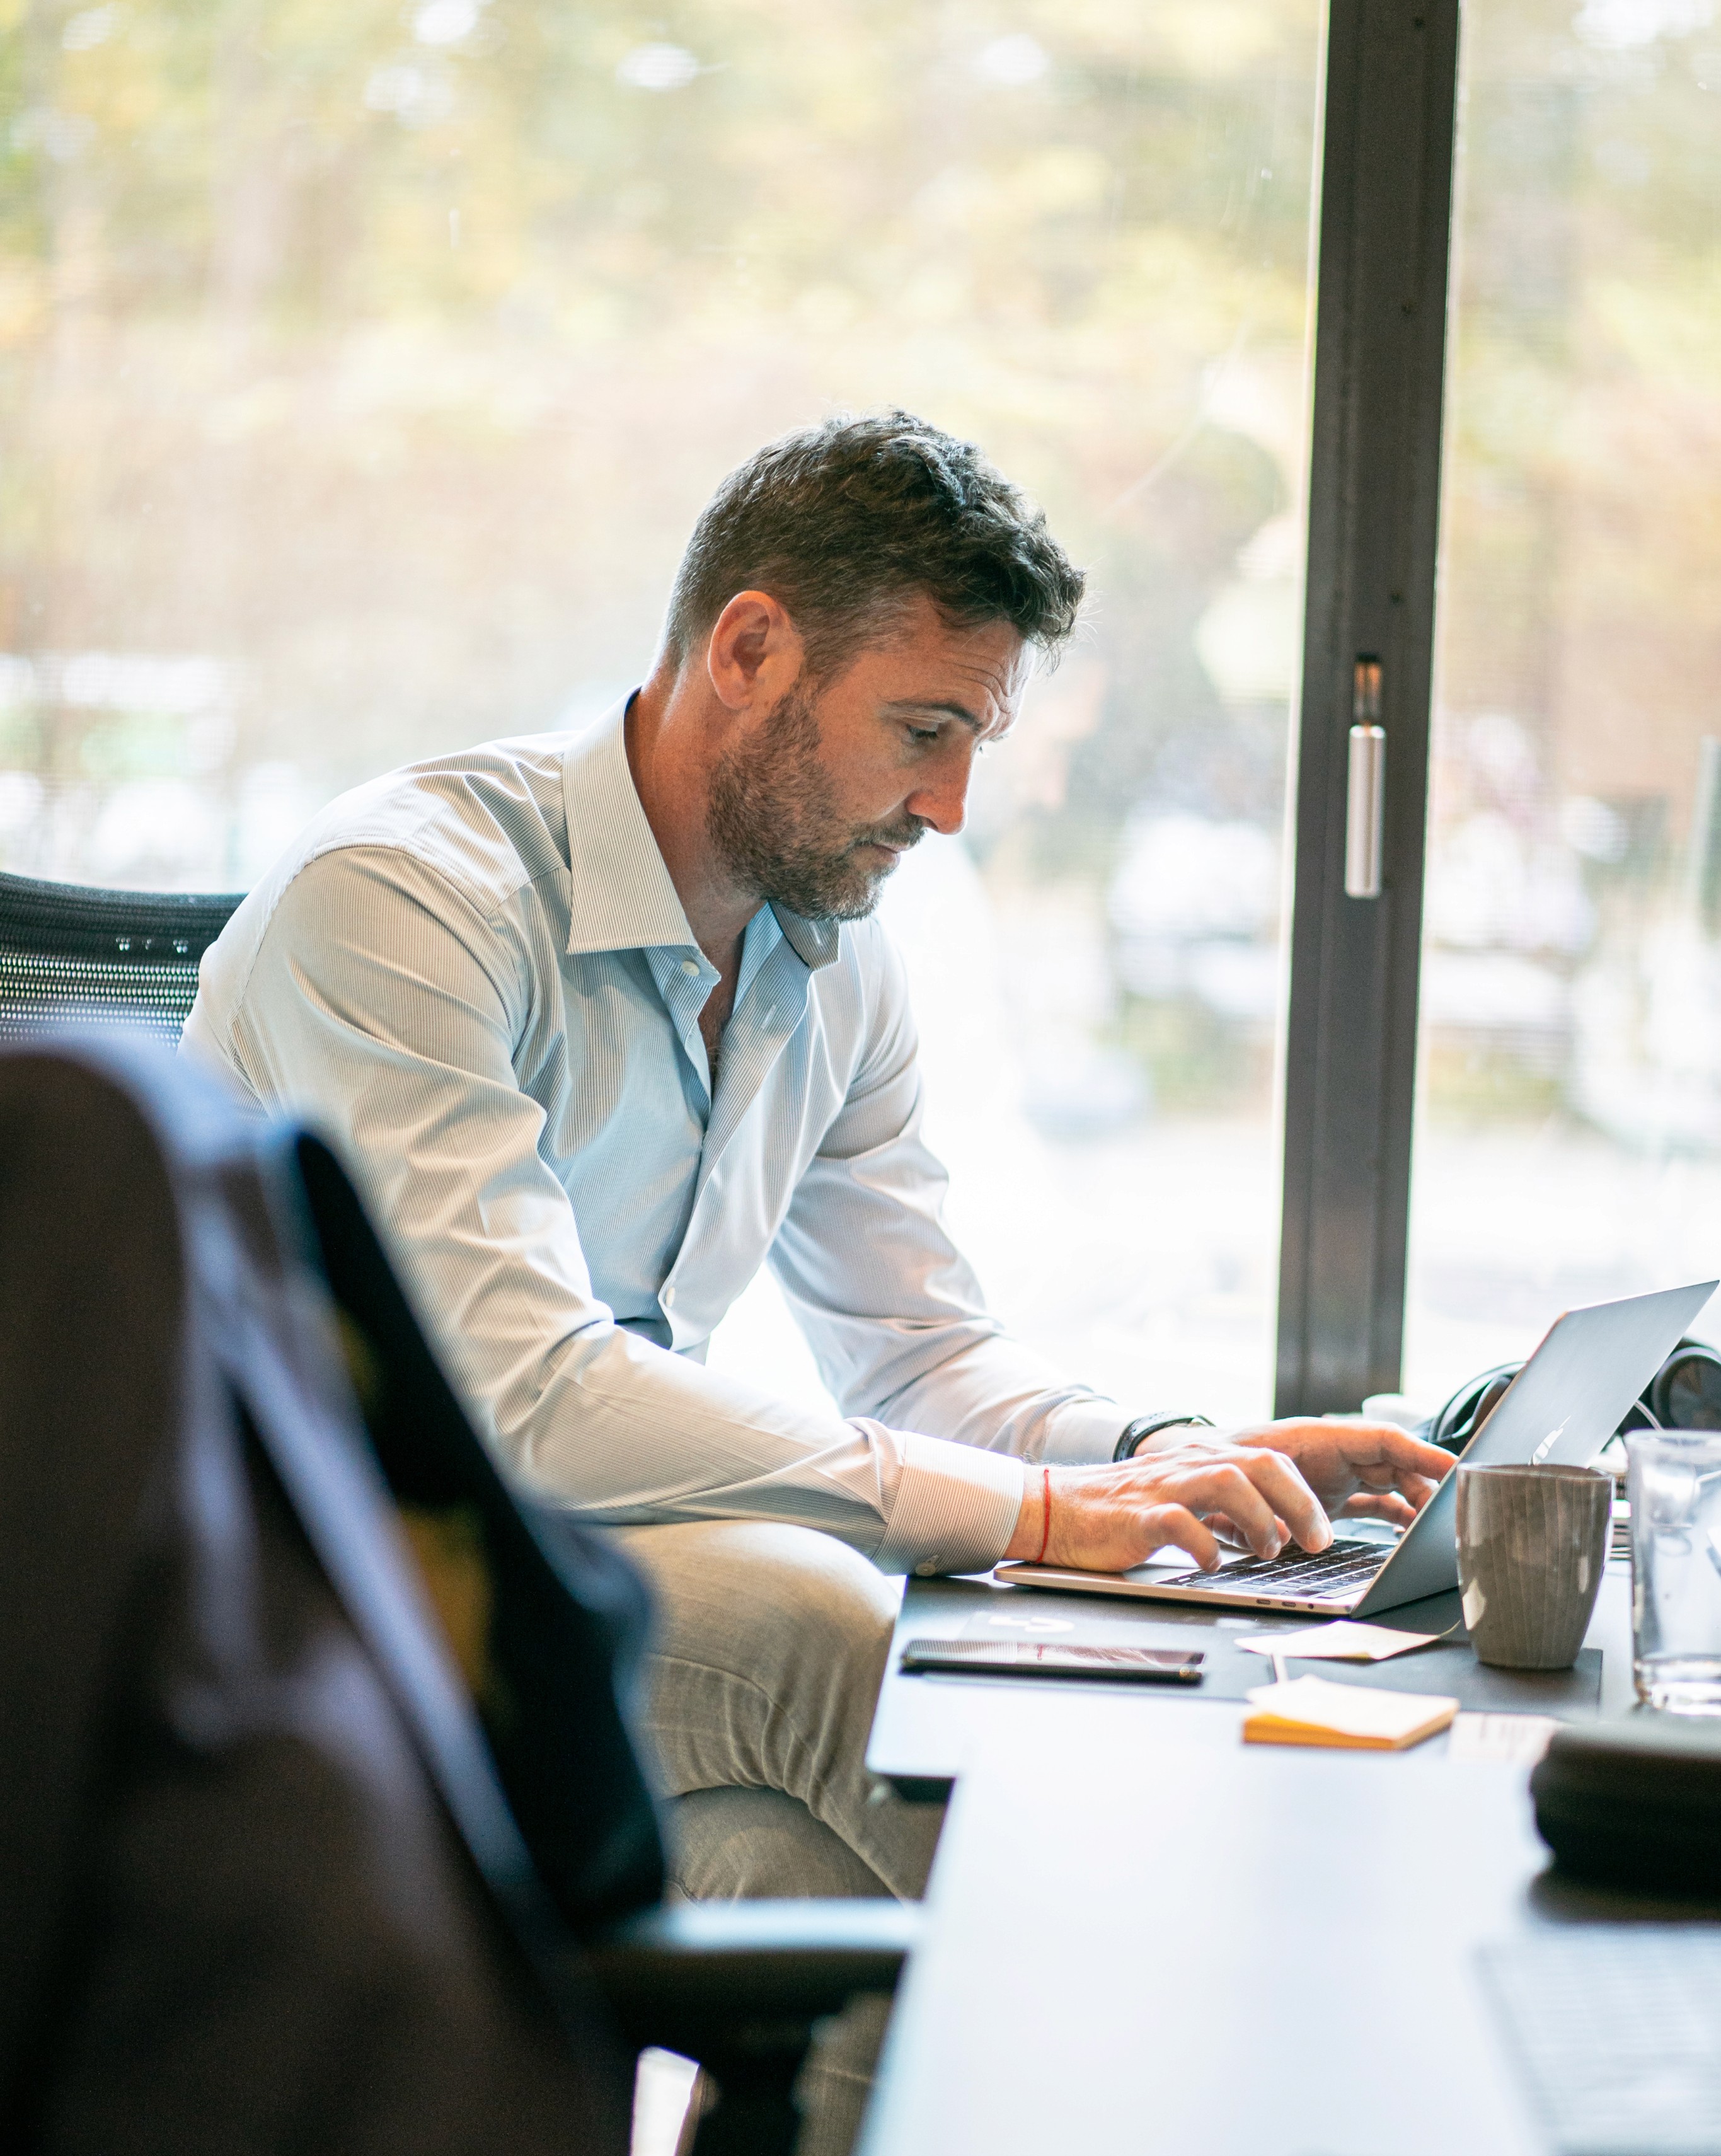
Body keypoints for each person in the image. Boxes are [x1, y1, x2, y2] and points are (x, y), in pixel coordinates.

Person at [183, 410, 1450, 1914]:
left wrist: (1159, 1460)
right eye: (924, 731)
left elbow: (916, 1355)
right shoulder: (404, 896)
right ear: (748, 649)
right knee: (831, 1625)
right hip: (314, 1587)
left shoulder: (831, 956)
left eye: (974, 743)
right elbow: (522, 1398)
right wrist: (1031, 1518)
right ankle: (1178, 1992)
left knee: (813, 1898)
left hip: (577, 1596)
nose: (948, 808)